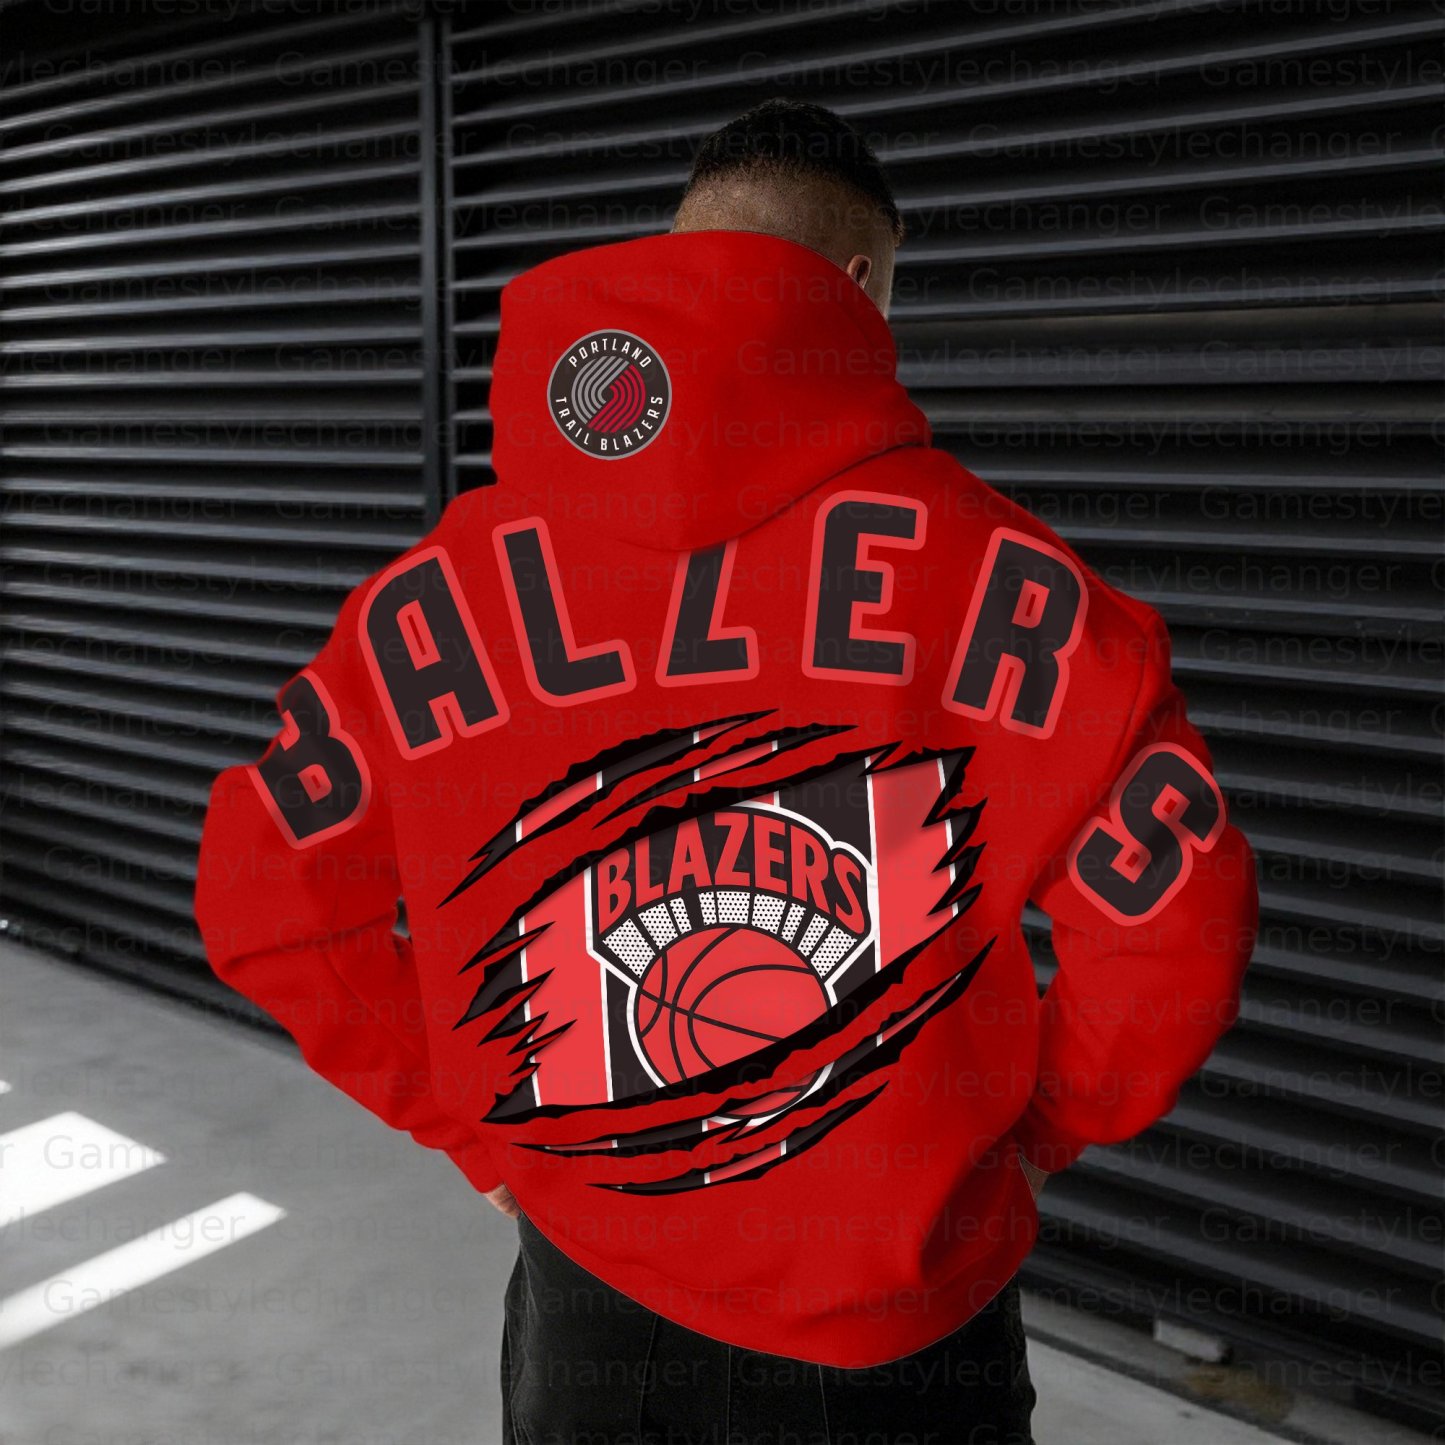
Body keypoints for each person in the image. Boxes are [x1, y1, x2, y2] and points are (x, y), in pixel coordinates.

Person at [195, 99, 1258, 1445]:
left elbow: (269, 906)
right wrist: (1036, 1129)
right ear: (862, 282)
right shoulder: (1018, 590)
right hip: (903, 1326)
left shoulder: (437, 594)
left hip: (594, 1309)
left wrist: (474, 1124)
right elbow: (1178, 931)